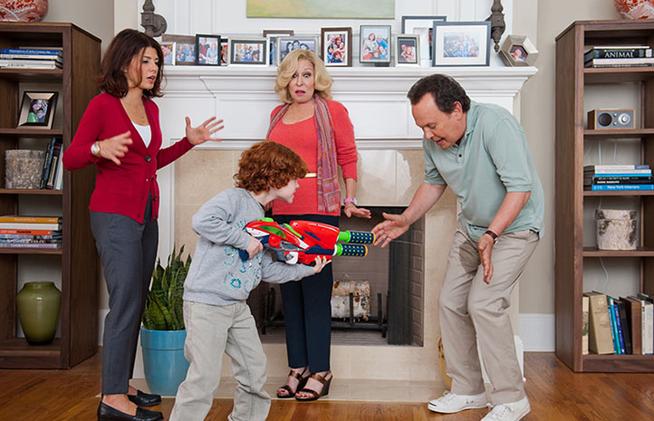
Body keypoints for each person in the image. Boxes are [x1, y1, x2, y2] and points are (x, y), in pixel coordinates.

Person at [62, 29, 224, 421]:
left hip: (146, 215)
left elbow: (151, 160)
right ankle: (113, 398)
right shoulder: (103, 105)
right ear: (124, 61)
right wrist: (99, 148)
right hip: (114, 216)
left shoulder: (150, 109)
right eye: (145, 61)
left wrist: (188, 142)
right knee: (124, 303)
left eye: (156, 62)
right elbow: (71, 158)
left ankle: (120, 382)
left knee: (135, 300)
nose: (153, 68)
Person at [372, 74, 543, 421]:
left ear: (456, 110)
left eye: (431, 125)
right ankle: (468, 389)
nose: (427, 135)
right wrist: (406, 219)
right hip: (472, 229)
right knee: (450, 302)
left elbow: (520, 189)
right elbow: (433, 184)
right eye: (422, 127)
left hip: (513, 230)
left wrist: (492, 235)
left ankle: (512, 398)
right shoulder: (435, 140)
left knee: (484, 303)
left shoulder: (496, 124)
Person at [170, 141, 330, 421]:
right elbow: (202, 221)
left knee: (254, 372)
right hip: (207, 304)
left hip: (237, 307)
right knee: (203, 378)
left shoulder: (263, 217)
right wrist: (244, 240)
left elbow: (266, 270)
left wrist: (307, 270)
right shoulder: (234, 199)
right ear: (274, 177)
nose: (298, 185)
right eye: (294, 179)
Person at [268, 49, 371, 401]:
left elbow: (348, 156)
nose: (300, 82)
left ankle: (321, 370)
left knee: (314, 290)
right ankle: (297, 367)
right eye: (294, 76)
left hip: (319, 211)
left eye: (307, 75)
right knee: (289, 291)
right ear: (286, 81)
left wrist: (350, 199)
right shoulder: (276, 115)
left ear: (317, 79)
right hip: (281, 211)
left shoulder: (333, 111)